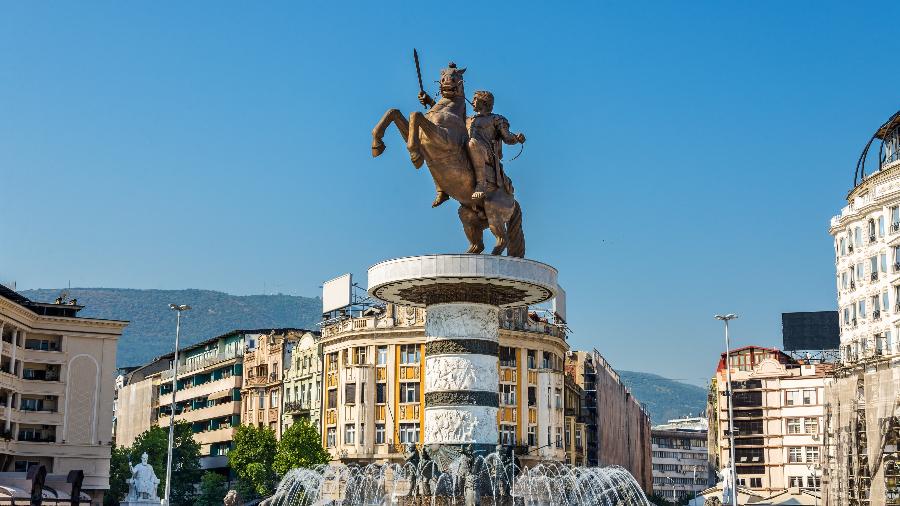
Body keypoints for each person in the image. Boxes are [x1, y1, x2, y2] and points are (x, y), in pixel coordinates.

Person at [465, 90, 525, 200]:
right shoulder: (468, 120)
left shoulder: (496, 119)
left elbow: (507, 138)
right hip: (468, 148)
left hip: (487, 153)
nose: (472, 101)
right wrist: (430, 102)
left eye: (475, 99)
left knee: (472, 143)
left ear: (484, 102)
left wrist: (517, 138)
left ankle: (481, 184)